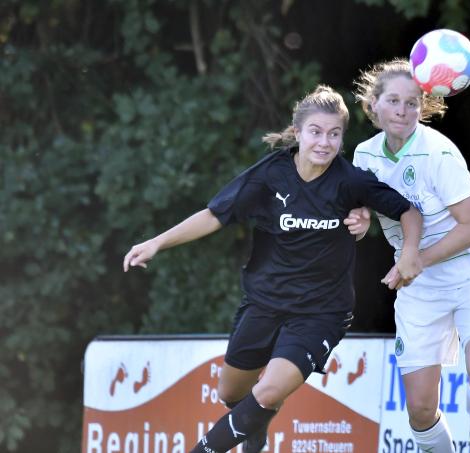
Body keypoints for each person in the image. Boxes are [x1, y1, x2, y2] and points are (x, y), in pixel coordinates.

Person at [123, 85, 423, 453]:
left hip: (321, 312)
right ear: (297, 133)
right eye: (315, 132)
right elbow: (216, 214)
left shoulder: (351, 181)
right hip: (264, 302)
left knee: (265, 393)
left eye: (334, 134)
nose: (324, 143)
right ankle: (255, 429)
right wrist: (156, 242)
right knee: (231, 393)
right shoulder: (269, 176)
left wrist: (409, 252)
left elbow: (408, 210)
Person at [346, 59, 470, 453]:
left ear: (424, 107)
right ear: (374, 105)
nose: (403, 111)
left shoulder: (439, 153)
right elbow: (366, 206)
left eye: (412, 103)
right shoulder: (364, 156)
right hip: (420, 286)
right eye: (393, 101)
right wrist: (359, 216)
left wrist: (417, 260)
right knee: (420, 409)